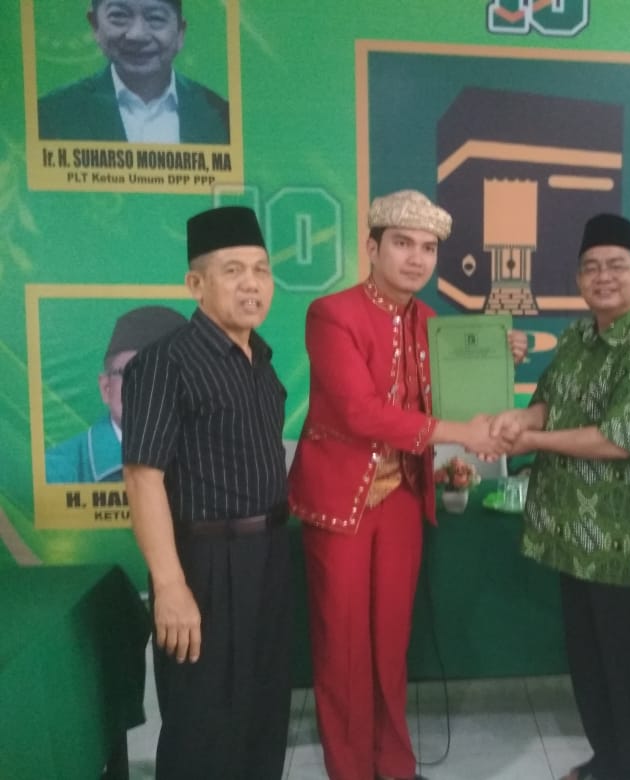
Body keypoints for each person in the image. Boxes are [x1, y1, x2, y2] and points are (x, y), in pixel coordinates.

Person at [288, 189, 526, 780]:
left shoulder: (431, 324)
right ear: (372, 248)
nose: (417, 258)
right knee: (343, 648)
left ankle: (394, 764)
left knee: (391, 642)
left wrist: (500, 359)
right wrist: (462, 433)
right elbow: (359, 412)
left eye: (427, 248)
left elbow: (448, 397)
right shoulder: (332, 314)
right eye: (402, 244)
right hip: (342, 502)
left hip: (400, 498)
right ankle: (349, 769)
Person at [488, 213, 630, 780]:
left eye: (616, 266)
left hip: (622, 544)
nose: (603, 277)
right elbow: (549, 401)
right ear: (577, 279)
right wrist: (519, 419)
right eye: (591, 267)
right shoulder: (577, 337)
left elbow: (618, 440)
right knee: (592, 664)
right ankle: (610, 762)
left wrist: (531, 439)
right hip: (572, 535)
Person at [121, 206, 290, 778]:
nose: (251, 284)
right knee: (204, 725)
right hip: (205, 566)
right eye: (233, 271)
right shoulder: (164, 363)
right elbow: (142, 478)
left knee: (264, 712)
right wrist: (170, 587)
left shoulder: (262, 362)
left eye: (261, 270)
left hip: (269, 557)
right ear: (196, 284)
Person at [38, 0, 229, 144]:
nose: (137, 35)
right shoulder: (52, 115)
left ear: (181, 32)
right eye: (119, 16)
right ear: (95, 25)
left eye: (155, 18)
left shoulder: (221, 116)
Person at [45, 304, 187, 483]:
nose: (148, 389)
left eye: (167, 373)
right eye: (131, 374)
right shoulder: (57, 471)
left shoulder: (211, 456)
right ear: (106, 388)